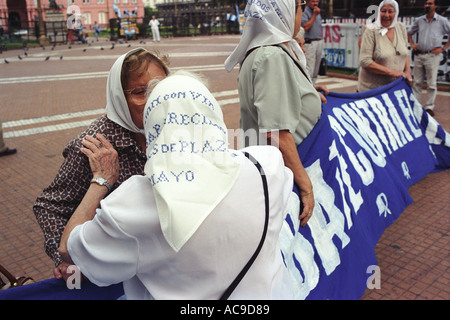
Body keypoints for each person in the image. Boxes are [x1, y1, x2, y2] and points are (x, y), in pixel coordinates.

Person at [58, 72, 296, 300]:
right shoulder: (266, 165)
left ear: (153, 126)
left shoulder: (133, 204)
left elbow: (69, 249)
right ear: (212, 113)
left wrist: (101, 179)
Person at [33, 48, 169, 281]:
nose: (153, 99)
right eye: (139, 92)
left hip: (161, 262)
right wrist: (65, 258)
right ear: (119, 98)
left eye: (159, 88)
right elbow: (49, 207)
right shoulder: (93, 146)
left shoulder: (171, 130)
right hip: (115, 269)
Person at [225, 0, 320, 227]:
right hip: (281, 177)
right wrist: (306, 187)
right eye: (299, 6)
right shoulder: (271, 56)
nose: (301, 11)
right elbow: (276, 133)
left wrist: (308, 93)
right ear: (285, 11)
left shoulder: (266, 51)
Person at [357, 0, 412, 92]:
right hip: (372, 90)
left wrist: (407, 71)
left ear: (396, 13)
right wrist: (394, 73)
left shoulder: (401, 28)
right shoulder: (371, 30)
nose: (386, 15)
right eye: (383, 11)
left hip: (394, 88)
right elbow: (365, 61)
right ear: (379, 12)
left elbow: (405, 52)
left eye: (390, 11)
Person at [407, 0, 450, 116]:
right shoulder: (419, 20)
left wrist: (443, 48)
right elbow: (409, 33)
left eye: (430, 3)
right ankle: (416, 106)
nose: (427, 5)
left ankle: (429, 107)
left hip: (433, 55)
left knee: (431, 83)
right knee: (417, 82)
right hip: (420, 54)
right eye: (426, 3)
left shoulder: (442, 21)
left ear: (436, 6)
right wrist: (412, 44)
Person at [301, 0, 323, 84]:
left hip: (318, 41)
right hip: (309, 42)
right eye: (313, 1)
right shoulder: (305, 11)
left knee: (316, 70)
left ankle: (313, 86)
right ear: (308, 2)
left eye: (317, 1)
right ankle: (308, 86)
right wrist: (314, 15)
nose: (315, 3)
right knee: (309, 69)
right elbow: (305, 27)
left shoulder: (317, 11)